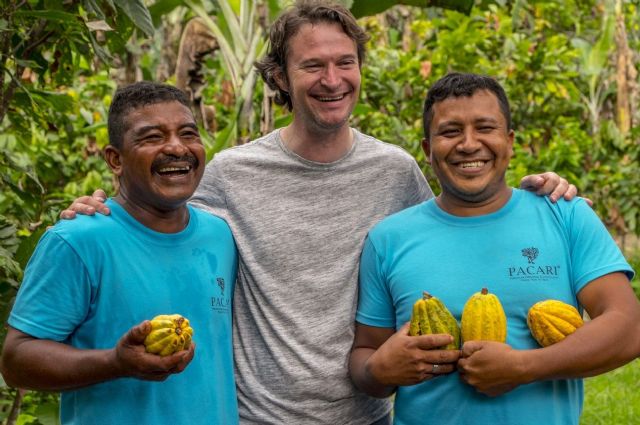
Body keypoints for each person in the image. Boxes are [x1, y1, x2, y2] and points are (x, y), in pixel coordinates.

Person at [60, 2, 579, 424]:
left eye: (344, 63)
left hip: (368, 415)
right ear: (281, 78)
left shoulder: (395, 170)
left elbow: (455, 233)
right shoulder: (230, 173)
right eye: (312, 65)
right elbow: (162, 222)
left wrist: (546, 194)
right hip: (258, 415)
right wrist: (102, 208)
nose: (332, 79)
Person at [349, 72, 640, 425]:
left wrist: (522, 367)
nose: (469, 144)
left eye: (485, 128)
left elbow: (629, 329)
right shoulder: (389, 239)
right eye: (450, 131)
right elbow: (365, 360)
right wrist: (379, 370)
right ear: (427, 149)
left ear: (510, 141)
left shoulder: (565, 215)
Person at [0, 82, 239, 424]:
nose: (176, 147)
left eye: (188, 133)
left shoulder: (220, 236)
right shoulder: (78, 240)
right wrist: (116, 362)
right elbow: (16, 361)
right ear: (115, 159)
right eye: (152, 137)